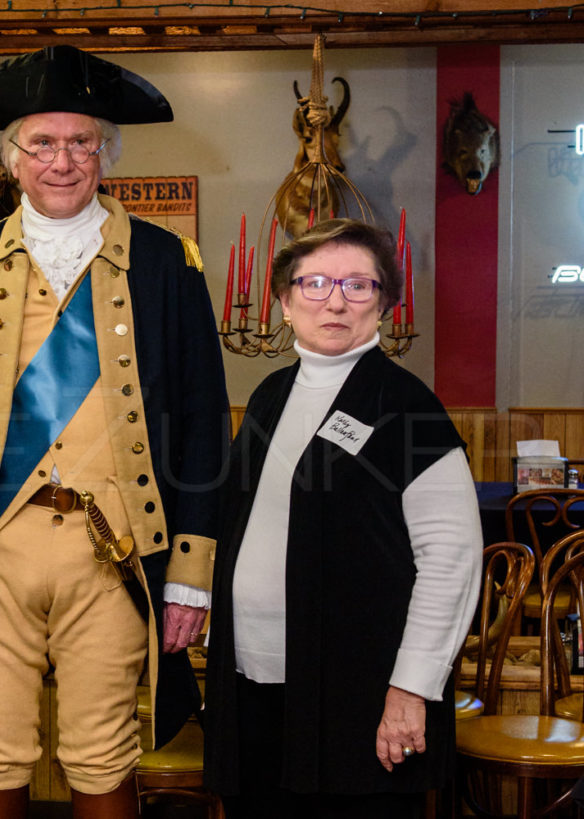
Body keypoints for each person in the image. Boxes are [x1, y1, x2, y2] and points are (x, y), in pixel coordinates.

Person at [0, 46, 229, 817]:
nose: (63, 160)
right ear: (12, 160)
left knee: (102, 749)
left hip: (115, 548)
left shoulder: (167, 262)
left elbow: (205, 424)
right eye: (43, 143)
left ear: (106, 154)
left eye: (82, 142)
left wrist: (190, 569)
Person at [204, 219, 482, 818]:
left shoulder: (406, 405)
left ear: (384, 302)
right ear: (283, 301)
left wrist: (411, 687)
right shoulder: (269, 396)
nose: (335, 300)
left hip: (360, 692)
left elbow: (451, 559)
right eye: (316, 283)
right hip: (253, 681)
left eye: (359, 285)